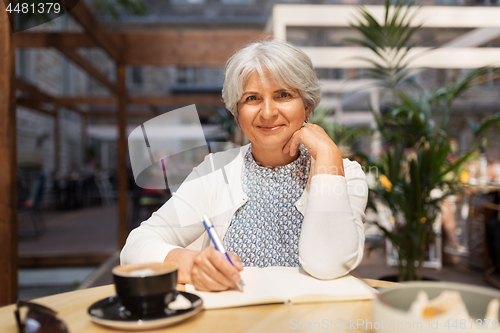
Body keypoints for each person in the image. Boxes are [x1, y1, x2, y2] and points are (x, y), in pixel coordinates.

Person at [120, 39, 368, 291]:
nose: (268, 112)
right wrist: (192, 264)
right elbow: (135, 247)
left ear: (307, 108)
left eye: (283, 95)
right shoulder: (214, 172)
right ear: (238, 115)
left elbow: (328, 265)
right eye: (252, 98)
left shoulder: (344, 174)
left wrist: (327, 158)